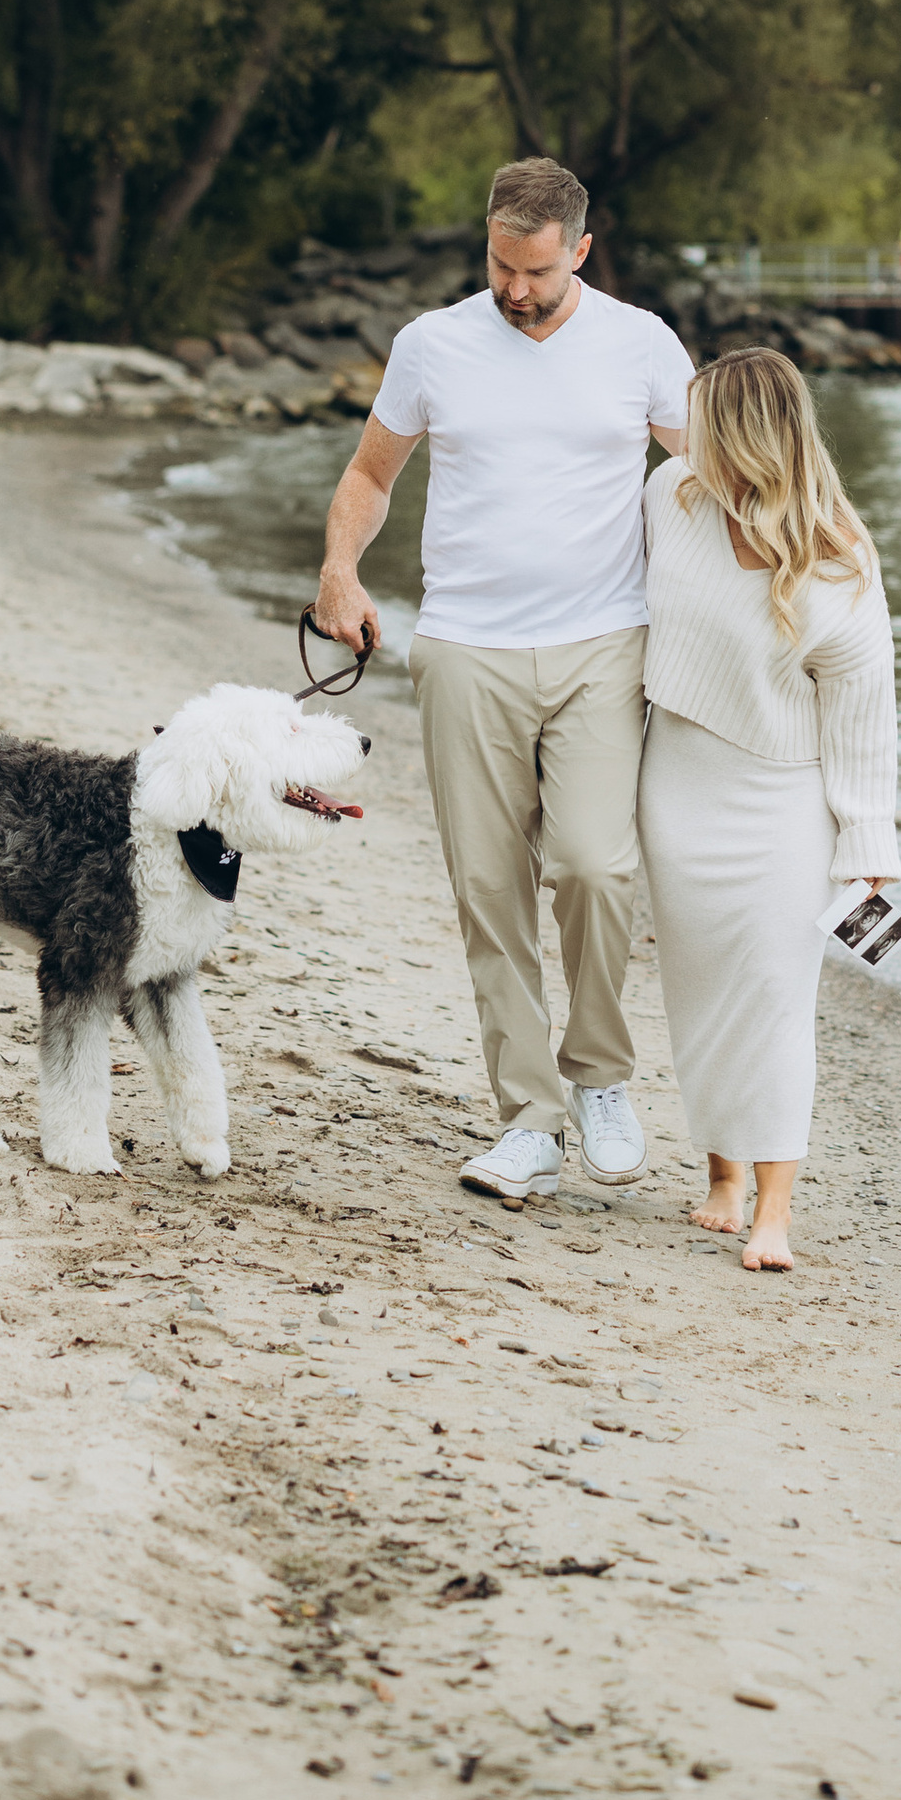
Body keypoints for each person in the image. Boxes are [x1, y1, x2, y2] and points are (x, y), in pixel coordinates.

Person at [317, 157, 695, 1209]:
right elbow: (370, 474)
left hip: (604, 643)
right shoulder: (431, 344)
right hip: (465, 646)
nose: (515, 290)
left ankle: (600, 1077)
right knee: (489, 891)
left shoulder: (641, 343)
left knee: (594, 868)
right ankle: (528, 1120)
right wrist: (340, 569)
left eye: (535, 271)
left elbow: (715, 473)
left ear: (581, 250)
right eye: (499, 266)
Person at [636, 346, 899, 1271]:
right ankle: (723, 1179)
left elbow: (864, 721)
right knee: (700, 994)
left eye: (704, 423)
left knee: (778, 1000)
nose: (687, 438)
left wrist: (868, 851)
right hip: (677, 786)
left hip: (784, 803)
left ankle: (774, 1213)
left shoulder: (840, 559)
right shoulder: (671, 497)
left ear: (748, 435)